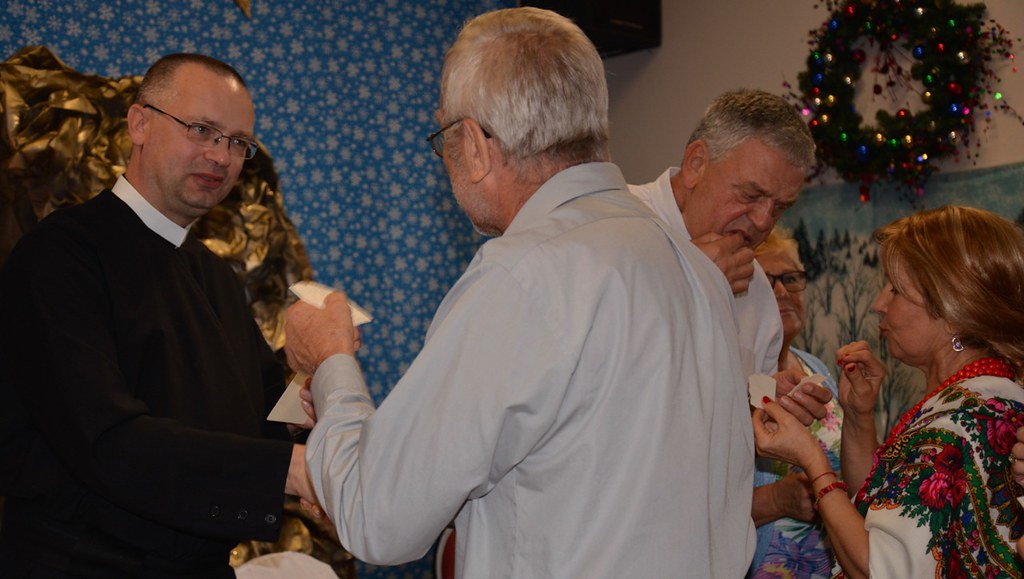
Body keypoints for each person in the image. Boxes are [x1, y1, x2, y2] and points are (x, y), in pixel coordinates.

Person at [285, 7, 756, 577]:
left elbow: (377, 517)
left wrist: (331, 362)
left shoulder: (525, 275)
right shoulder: (695, 270)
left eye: (443, 138)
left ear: (475, 145)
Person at [0, 53, 318, 577]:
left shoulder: (216, 276)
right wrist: (291, 470)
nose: (220, 156)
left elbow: (260, 421)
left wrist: (308, 382)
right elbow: (107, 440)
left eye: (238, 142)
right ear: (139, 123)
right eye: (202, 130)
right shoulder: (61, 256)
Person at [754, 206, 1024, 577]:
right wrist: (858, 414)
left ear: (952, 307)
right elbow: (880, 510)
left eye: (895, 289)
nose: (878, 305)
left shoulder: (956, 423)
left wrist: (813, 461)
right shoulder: (984, 399)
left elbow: (880, 567)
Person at [629, 89, 830, 419]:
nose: (763, 221)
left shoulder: (757, 289)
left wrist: (764, 402)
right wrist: (686, 278)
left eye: (780, 208)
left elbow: (723, 413)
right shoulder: (610, 225)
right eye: (750, 195)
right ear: (696, 164)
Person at [749, 229, 843, 577]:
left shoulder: (816, 369)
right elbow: (691, 510)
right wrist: (776, 500)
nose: (782, 292)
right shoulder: (729, 378)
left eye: (790, 278)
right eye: (766, 281)